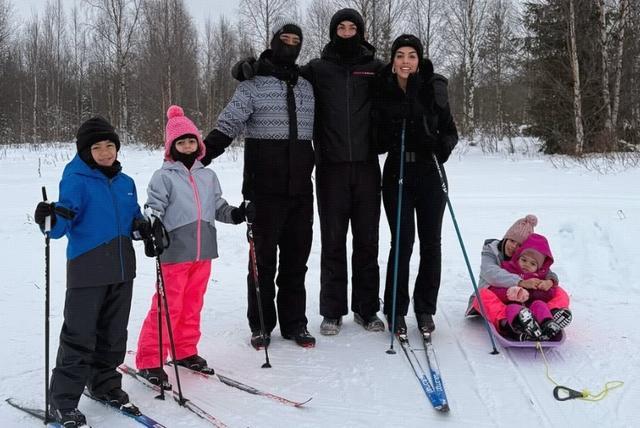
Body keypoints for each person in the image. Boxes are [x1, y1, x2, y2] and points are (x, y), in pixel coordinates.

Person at [201, 19, 317, 348]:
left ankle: (295, 323)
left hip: (300, 190)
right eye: (285, 38)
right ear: (274, 41)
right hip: (264, 190)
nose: (290, 44)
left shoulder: (307, 85)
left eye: (296, 40)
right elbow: (229, 123)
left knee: (297, 261)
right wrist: (200, 156)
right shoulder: (252, 84)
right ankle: (262, 324)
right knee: (262, 262)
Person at [33, 117, 148, 427]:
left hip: (123, 269)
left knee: (113, 334)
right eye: (97, 147)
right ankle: (62, 400)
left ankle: (104, 384)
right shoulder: (75, 179)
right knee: (79, 335)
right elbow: (60, 226)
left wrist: (143, 227)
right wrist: (49, 218)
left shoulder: (126, 183)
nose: (105, 152)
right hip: (87, 269)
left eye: (110, 145)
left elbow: (133, 218)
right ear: (85, 152)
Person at [135, 106, 246, 386]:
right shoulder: (164, 176)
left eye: (191, 140)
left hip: (203, 250)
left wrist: (235, 214)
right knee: (166, 306)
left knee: (192, 304)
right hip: (175, 251)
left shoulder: (207, 176)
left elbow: (216, 206)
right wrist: (153, 224)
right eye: (181, 141)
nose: (187, 145)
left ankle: (184, 351)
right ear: (171, 146)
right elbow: (154, 206)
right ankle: (150, 359)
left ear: (199, 143)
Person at [371, 35, 458, 336]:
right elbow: (376, 138)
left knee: (431, 243)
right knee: (402, 242)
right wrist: (389, 131)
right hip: (397, 171)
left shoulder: (433, 87)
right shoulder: (383, 88)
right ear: (393, 60)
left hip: (430, 171)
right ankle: (395, 309)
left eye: (411, 56)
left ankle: (424, 309)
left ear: (418, 60)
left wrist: (437, 144)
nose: (406, 61)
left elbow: (450, 132)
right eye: (400, 55)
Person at [466, 215, 573, 340]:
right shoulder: (491, 251)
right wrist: (521, 282)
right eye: (512, 241)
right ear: (506, 237)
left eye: (519, 245)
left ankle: (550, 317)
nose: (513, 247)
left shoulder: (524, 257)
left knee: (559, 291)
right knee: (482, 295)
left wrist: (550, 281)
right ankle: (507, 323)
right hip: (498, 299)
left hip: (528, 303)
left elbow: (546, 270)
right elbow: (491, 273)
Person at [489, 233, 563, 340]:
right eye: (524, 260)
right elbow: (495, 287)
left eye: (533, 264)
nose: (527, 265)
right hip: (512, 305)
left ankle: (547, 325)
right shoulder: (508, 269)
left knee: (540, 304)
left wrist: (539, 289)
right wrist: (509, 292)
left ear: (539, 267)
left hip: (532, 307)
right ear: (517, 257)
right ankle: (519, 329)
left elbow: (550, 295)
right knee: (513, 308)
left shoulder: (540, 277)